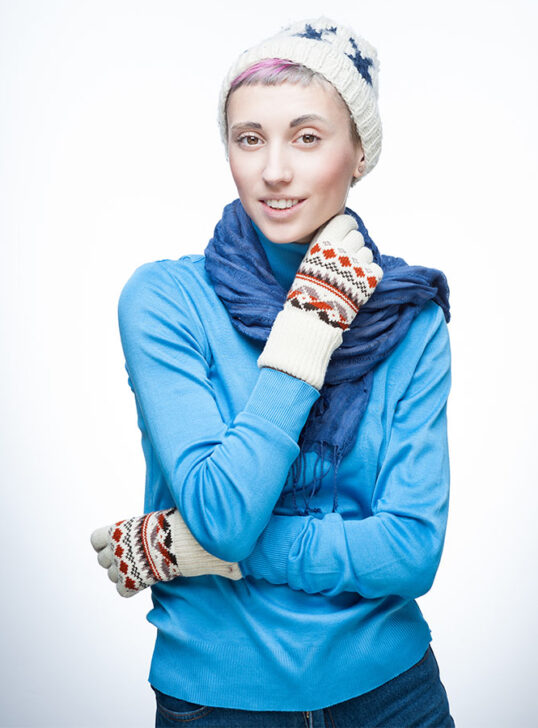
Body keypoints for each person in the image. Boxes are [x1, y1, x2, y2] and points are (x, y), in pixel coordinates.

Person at [90, 17, 455, 727]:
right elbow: (225, 516)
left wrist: (179, 546)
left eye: (308, 137)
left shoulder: (410, 320)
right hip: (219, 704)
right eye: (249, 138)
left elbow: (411, 552)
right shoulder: (167, 301)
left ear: (358, 155)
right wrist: (308, 329)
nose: (274, 170)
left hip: (394, 696)